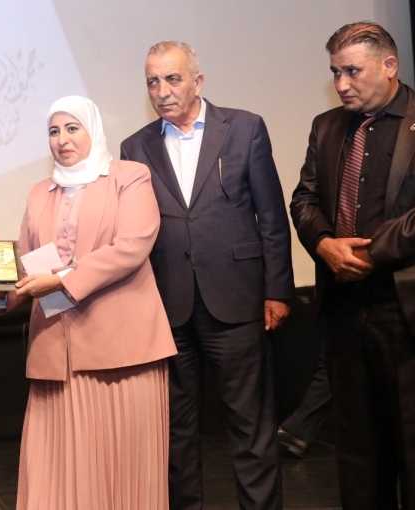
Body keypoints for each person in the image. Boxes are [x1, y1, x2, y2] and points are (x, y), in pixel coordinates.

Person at [291, 21, 415, 509]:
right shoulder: (326, 126)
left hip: (408, 310)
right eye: (335, 72)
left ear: (389, 65)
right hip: (344, 308)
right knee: (358, 453)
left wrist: (372, 251)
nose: (341, 83)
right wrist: (325, 244)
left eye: (352, 71)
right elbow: (304, 199)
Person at [120, 41, 295, 510]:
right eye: (152, 81)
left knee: (251, 429)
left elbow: (271, 216)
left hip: (238, 301)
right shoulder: (134, 147)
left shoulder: (244, 128)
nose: (162, 90)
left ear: (197, 81)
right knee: (176, 433)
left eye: (172, 78)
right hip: (168, 307)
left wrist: (279, 290)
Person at [0, 95, 177, 509]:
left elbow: (131, 247)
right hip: (56, 356)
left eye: (72, 128)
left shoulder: (129, 177)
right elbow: (28, 265)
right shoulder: (39, 193)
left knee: (121, 472)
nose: (62, 139)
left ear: (92, 129)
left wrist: (61, 280)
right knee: (54, 473)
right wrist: (0, 285)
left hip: (122, 353)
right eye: (54, 131)